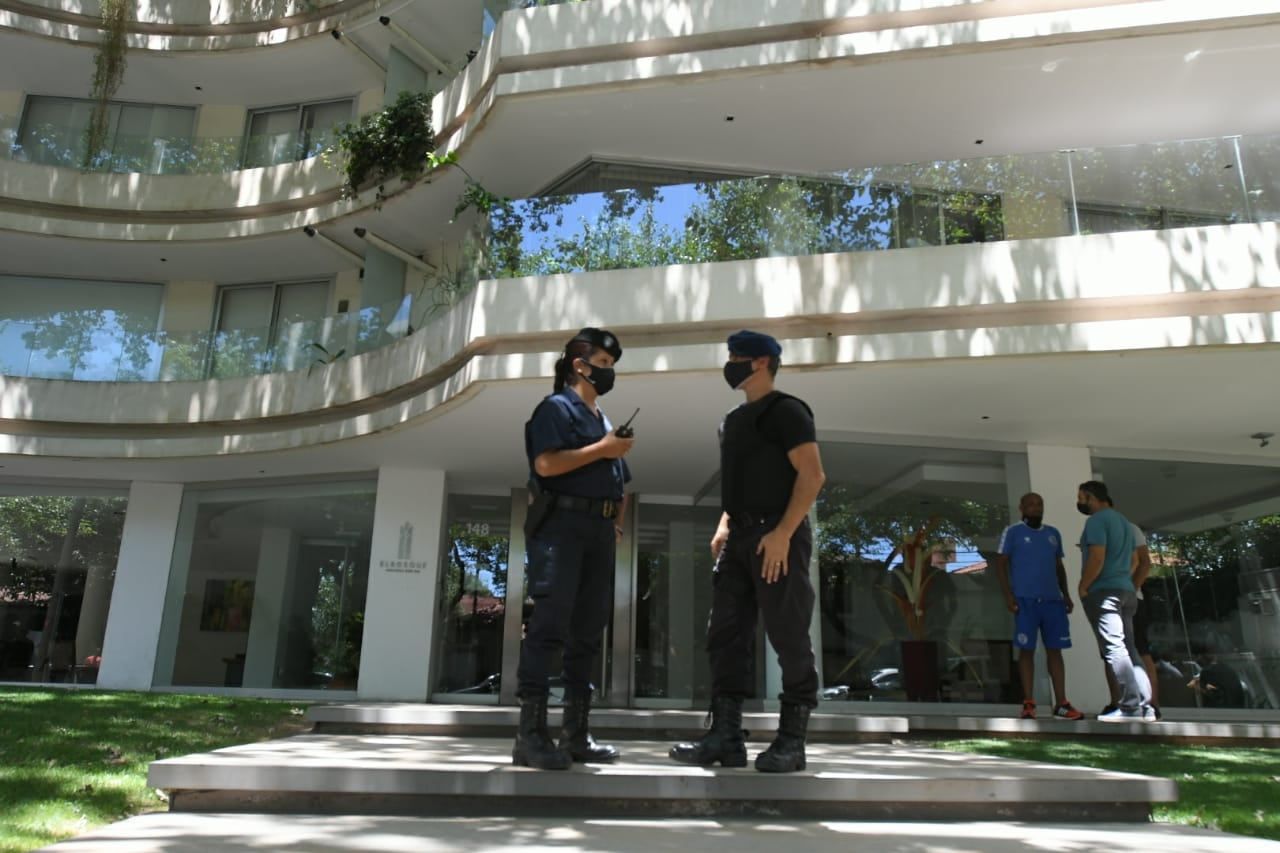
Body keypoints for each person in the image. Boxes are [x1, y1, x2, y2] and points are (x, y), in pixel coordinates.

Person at [670, 330, 826, 773]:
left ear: (761, 362)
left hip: (778, 536)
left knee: (788, 633)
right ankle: (725, 737)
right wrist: (724, 524)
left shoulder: (788, 411)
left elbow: (812, 476)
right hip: (738, 539)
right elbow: (735, 484)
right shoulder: (732, 421)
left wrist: (781, 533)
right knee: (725, 635)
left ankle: (792, 742)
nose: (730, 363)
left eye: (737, 357)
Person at [513, 327, 634, 770]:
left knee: (587, 631)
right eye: (603, 364)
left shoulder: (603, 420)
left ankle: (576, 734)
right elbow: (545, 463)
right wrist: (603, 448)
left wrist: (615, 526)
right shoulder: (555, 408)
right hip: (561, 528)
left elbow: (621, 483)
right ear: (579, 365)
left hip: (598, 534)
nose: (609, 373)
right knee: (549, 627)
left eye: (612, 366)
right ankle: (530, 736)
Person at [994, 493, 1083, 721]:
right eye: (1031, 504)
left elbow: (1058, 566)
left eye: (1040, 504)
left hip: (1053, 601)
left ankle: (1061, 703)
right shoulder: (1012, 532)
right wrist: (1008, 595)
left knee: (1056, 650)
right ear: (1021, 507)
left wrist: (1066, 595)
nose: (1036, 508)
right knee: (1027, 650)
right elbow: (1000, 564)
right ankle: (1028, 702)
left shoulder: (1053, 534)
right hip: (1025, 601)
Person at [1075, 480, 1153, 722]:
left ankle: (1130, 707)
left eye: (1080, 497)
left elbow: (1096, 557)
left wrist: (1083, 586)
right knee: (1130, 648)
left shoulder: (1096, 521)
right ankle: (1146, 707)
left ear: (1090, 496)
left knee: (1114, 648)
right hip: (1126, 591)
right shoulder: (1123, 522)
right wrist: (1125, 581)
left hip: (1105, 592)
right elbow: (1134, 561)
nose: (1078, 502)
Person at [1099, 513, 1162, 719]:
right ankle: (1117, 702)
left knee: (1139, 651)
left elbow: (1142, 562)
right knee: (1111, 652)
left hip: (1129, 599)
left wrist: (1129, 590)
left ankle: (1151, 704)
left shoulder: (1129, 528)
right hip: (1109, 598)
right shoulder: (1100, 532)